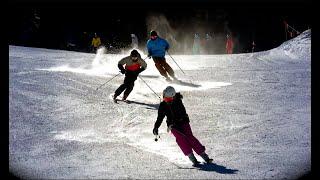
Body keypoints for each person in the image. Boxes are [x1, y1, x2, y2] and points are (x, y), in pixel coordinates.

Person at [152, 86, 213, 166]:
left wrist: (178, 120)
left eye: (169, 99)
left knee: (190, 137)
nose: (167, 100)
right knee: (181, 140)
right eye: (166, 98)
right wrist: (156, 127)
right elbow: (160, 117)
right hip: (173, 126)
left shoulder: (178, 101)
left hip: (183, 122)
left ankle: (205, 156)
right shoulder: (163, 105)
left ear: (173, 97)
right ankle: (193, 159)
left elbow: (182, 112)